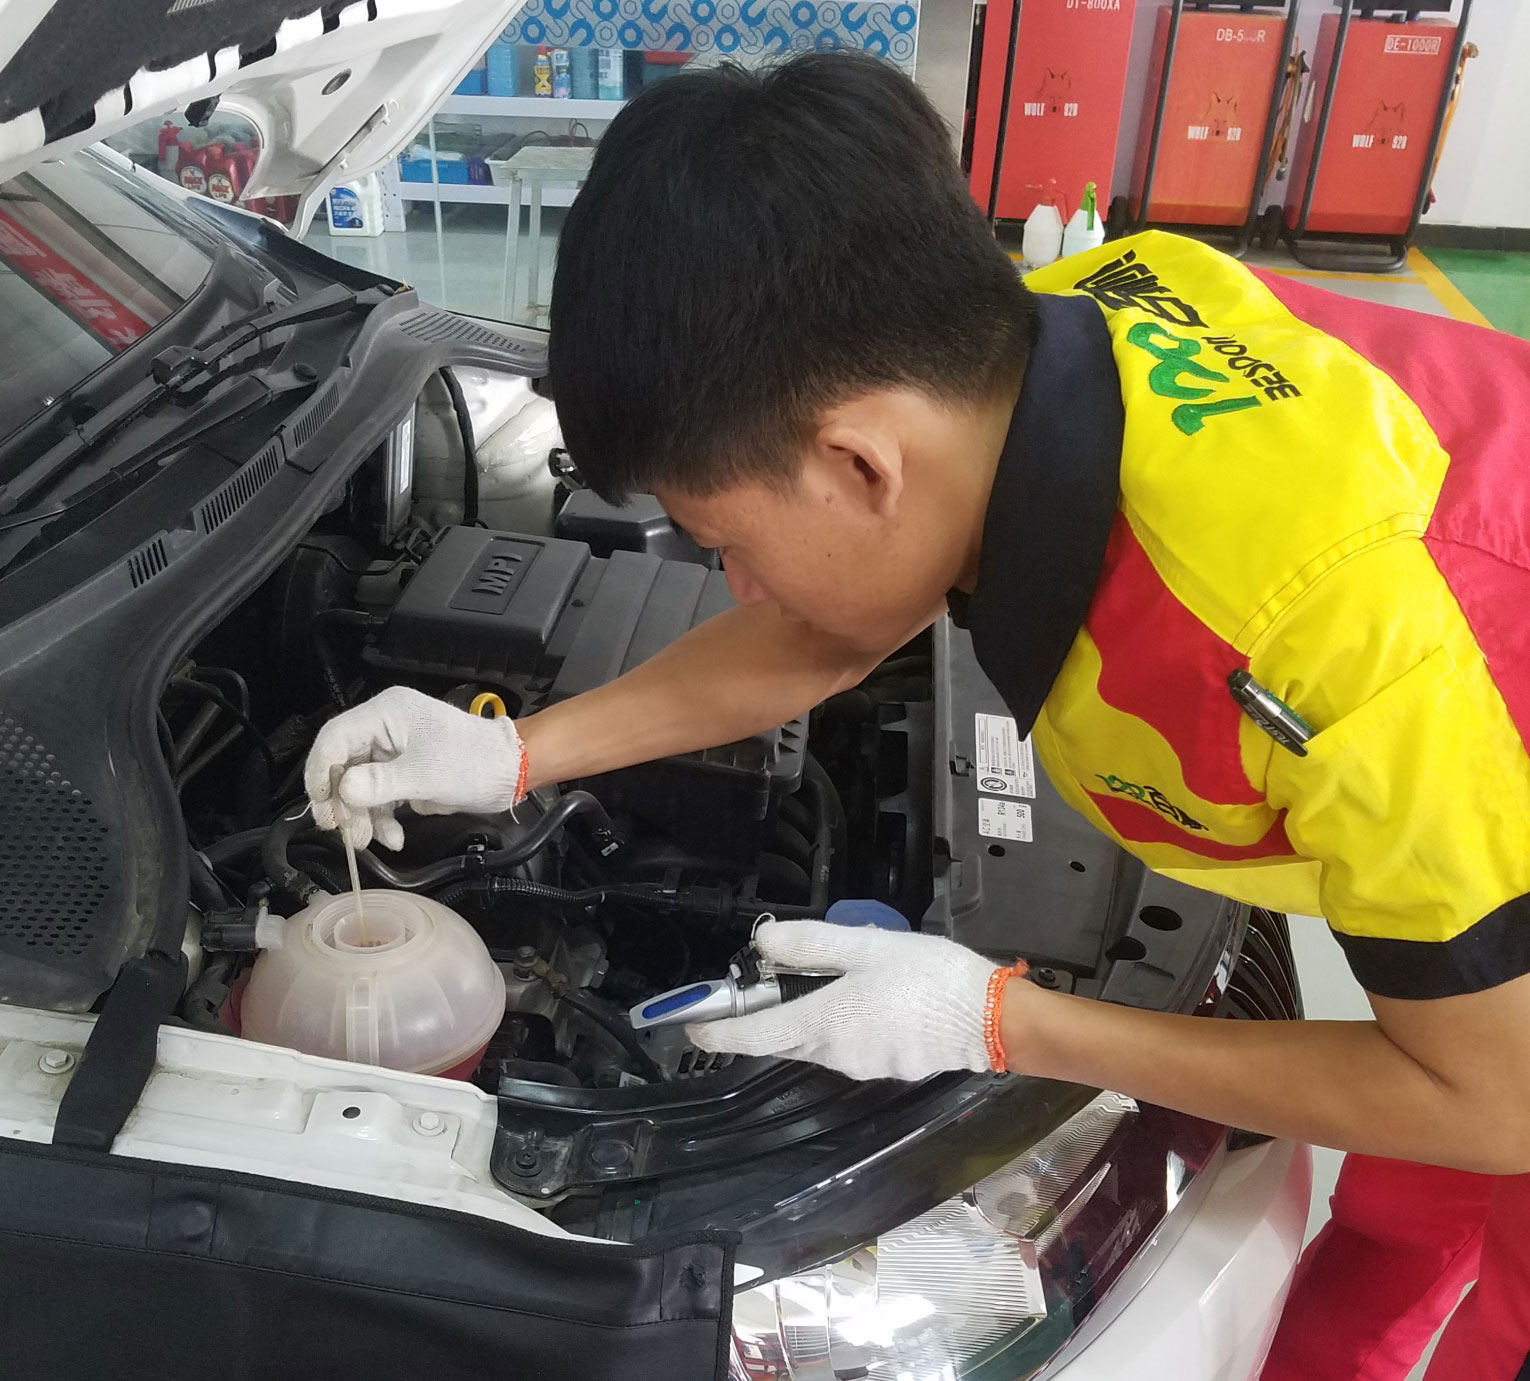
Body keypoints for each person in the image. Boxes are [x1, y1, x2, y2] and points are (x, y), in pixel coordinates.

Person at [305, 53, 1530, 1379]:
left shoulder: (1319, 649)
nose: (733, 582)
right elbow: (827, 624)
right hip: (1460, 776)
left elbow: (1493, 1097)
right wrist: (514, 751)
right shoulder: (1048, 332)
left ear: (857, 461)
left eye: (725, 541)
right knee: (1406, 1213)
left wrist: (1003, 1022)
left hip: (1478, 718)